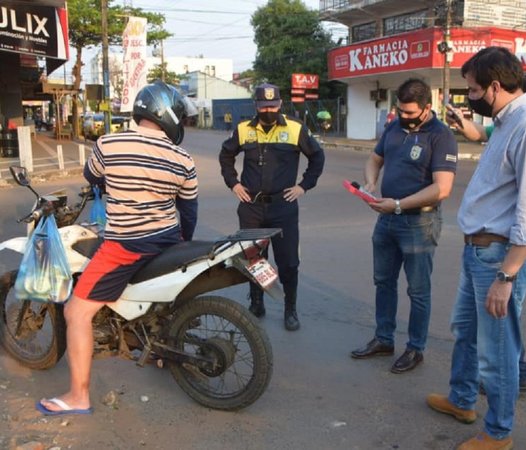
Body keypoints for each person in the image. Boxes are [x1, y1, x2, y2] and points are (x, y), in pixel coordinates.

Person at [36, 81, 199, 415]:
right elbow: (190, 211)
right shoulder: (183, 158)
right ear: (167, 114)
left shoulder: (109, 144)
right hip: (167, 240)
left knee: (75, 312)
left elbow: (91, 176)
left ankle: (79, 397)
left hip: (127, 244)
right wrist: (182, 239)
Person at [426, 47, 526, 450]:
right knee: (464, 331)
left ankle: (498, 433)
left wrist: (506, 275)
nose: (471, 96)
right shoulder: (506, 121)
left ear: (495, 86)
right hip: (478, 250)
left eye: (473, 89)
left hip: (498, 257)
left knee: (497, 349)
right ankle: (463, 400)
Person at [446, 73, 526, 395]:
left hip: (520, 241)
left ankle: (515, 381)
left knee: (503, 323)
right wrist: (462, 122)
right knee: (481, 324)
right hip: (494, 238)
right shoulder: (512, 122)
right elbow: (481, 133)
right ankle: (475, 392)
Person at [350, 78, 458, 373]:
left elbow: (442, 189)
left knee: (418, 290)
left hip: (419, 222)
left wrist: (398, 204)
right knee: (383, 282)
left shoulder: (441, 136)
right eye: (400, 110)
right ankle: (384, 338)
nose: (404, 117)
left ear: (427, 108)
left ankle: (415, 348)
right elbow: (374, 159)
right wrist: (371, 182)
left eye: (410, 113)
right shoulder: (393, 128)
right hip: (386, 220)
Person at [219, 83, 325, 331]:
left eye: (273, 105)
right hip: (251, 207)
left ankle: (290, 309)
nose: (269, 109)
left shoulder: (296, 129)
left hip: (283, 207)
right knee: (254, 259)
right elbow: (226, 156)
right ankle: (257, 302)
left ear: (280, 104)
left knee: (288, 262)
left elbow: (317, 157)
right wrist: (233, 183)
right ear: (255, 105)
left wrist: (304, 186)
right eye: (263, 105)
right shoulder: (243, 129)